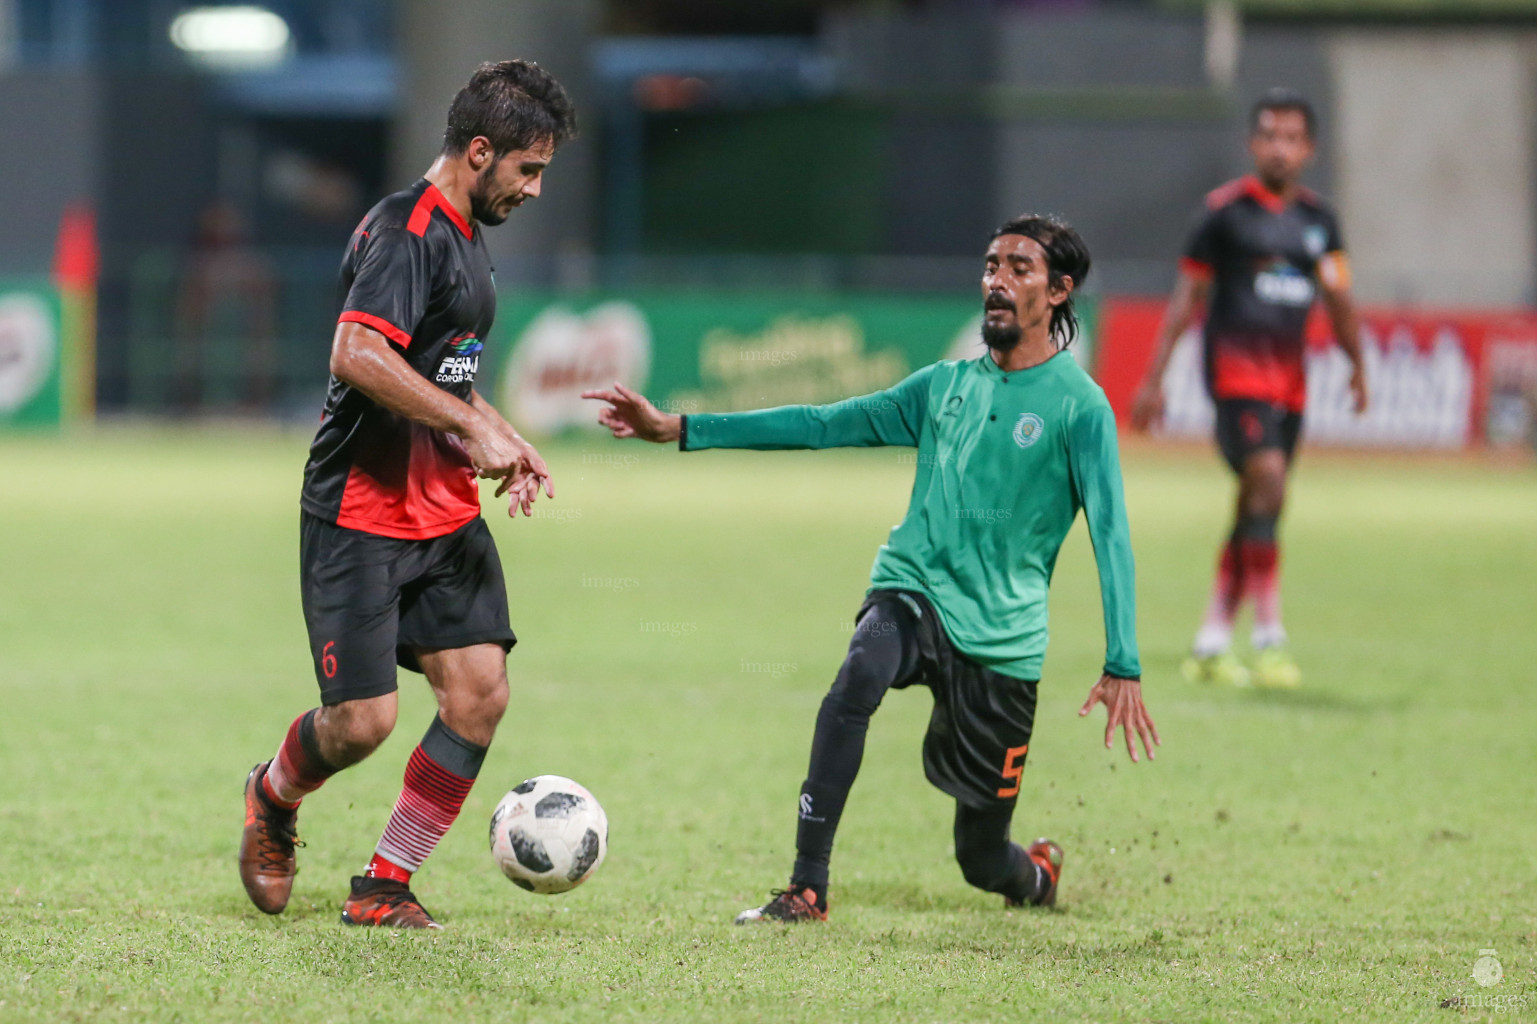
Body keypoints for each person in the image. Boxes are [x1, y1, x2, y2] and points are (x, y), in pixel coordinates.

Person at [584, 215, 1158, 924]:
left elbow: (1110, 534)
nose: (996, 283)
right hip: (913, 589)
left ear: (1061, 290)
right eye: (990, 266)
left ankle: (1034, 876)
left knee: (979, 860)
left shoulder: (1080, 408)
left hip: (1001, 639)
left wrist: (1122, 660)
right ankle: (806, 886)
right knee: (858, 674)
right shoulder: (942, 386)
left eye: (1018, 269)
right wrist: (680, 428)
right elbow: (824, 423)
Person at [238, 60, 576, 930]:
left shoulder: (466, 231)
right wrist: (473, 428)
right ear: (477, 150)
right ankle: (273, 797)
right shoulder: (407, 229)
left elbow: (439, 369)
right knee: (359, 725)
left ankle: (384, 884)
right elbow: (356, 354)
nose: (536, 189)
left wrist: (495, 429)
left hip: (443, 511)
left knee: (479, 692)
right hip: (361, 510)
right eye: (528, 169)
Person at [1130, 88, 1368, 689]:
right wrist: (1154, 380)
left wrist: (1358, 364)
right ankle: (1269, 637)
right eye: (1269, 135)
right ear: (1252, 143)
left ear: (1309, 148)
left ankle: (1212, 639)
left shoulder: (1320, 222)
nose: (1280, 148)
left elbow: (1339, 300)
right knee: (1266, 481)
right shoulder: (1223, 214)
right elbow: (1186, 300)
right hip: (1235, 381)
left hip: (1290, 389)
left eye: (1292, 137)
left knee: (1260, 505)